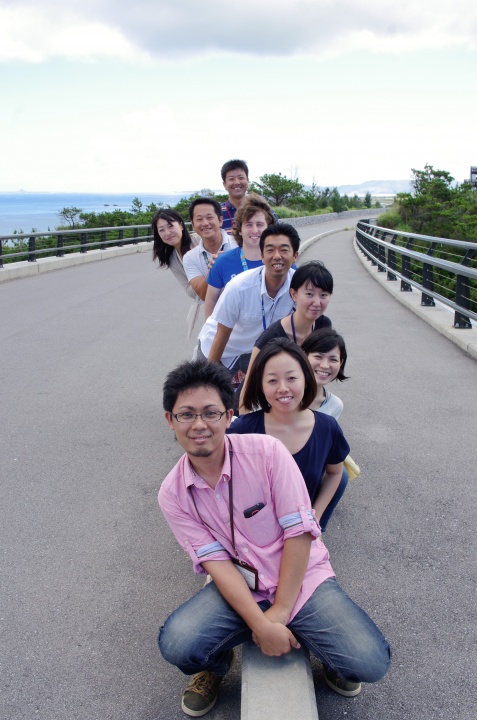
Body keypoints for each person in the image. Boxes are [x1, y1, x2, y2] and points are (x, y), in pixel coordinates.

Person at [158, 359, 391, 717]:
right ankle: (216, 664)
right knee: (178, 644)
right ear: (170, 420)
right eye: (186, 414)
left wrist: (279, 614)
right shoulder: (172, 494)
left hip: (301, 578)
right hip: (243, 584)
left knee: (369, 663)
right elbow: (216, 563)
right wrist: (260, 626)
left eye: (211, 413)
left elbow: (299, 533)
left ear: (229, 416)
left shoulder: (267, 453)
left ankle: (329, 653)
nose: (199, 424)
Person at [229, 338, 348, 532]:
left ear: (306, 378)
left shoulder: (327, 428)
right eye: (272, 380)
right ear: (260, 385)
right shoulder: (242, 430)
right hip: (253, 534)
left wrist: (314, 517)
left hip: (299, 531)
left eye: (291, 378)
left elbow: (335, 473)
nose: (283, 387)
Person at [198, 223, 300, 386]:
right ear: (262, 255)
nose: (277, 256)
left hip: (253, 351)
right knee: (212, 395)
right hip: (221, 348)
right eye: (270, 250)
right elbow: (221, 335)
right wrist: (209, 382)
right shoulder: (240, 287)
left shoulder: (299, 286)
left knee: (257, 397)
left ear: (295, 256)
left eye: (284, 250)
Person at [238, 261, 333, 413]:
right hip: (263, 407)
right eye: (309, 294)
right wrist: (245, 423)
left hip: (293, 404)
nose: (317, 302)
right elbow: (247, 389)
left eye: (323, 295)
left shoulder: (323, 325)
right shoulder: (270, 337)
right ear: (294, 294)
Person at [204, 193, 275, 319]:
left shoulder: (282, 262)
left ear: (268, 228)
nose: (255, 230)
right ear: (240, 230)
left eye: (259, 224)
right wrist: (210, 331)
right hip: (234, 330)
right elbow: (211, 302)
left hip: (273, 330)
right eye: (248, 224)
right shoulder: (221, 262)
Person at [183, 197, 237, 302]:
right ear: (193, 225)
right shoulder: (190, 257)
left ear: (220, 220)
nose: (205, 223)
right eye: (199, 219)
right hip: (216, 311)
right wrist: (213, 269)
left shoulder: (239, 244)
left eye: (209, 217)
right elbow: (203, 295)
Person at [152, 208, 199, 299]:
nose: (167, 233)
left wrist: (197, 283)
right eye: (161, 230)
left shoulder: (199, 240)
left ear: (181, 226)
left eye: (170, 226)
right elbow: (190, 292)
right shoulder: (173, 259)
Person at [302, 327, 348, 416]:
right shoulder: (283, 394)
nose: (325, 365)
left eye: (333, 360)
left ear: (341, 363)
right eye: (318, 357)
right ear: (303, 355)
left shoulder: (334, 405)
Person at [220, 159, 250, 230]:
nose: (237, 182)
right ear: (224, 184)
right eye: (231, 179)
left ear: (248, 181)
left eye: (241, 178)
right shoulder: (217, 213)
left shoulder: (263, 209)